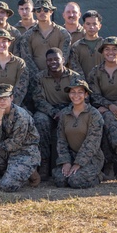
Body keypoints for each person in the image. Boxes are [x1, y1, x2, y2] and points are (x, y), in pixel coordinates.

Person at [86, 36, 117, 178]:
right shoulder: (95, 72)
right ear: (102, 52)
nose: (111, 52)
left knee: (110, 122)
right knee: (105, 120)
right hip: (102, 109)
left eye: (114, 49)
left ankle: (109, 166)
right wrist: (108, 106)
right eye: (107, 49)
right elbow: (93, 94)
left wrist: (115, 106)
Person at [0, 84, 42, 192]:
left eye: (5, 98)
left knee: (7, 187)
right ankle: (11, 172)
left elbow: (15, 144)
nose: (2, 101)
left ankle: (30, 171)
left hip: (25, 152)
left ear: (11, 98)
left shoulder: (21, 116)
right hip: (8, 150)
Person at [29, 48, 81, 178]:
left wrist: (66, 111)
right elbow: (38, 100)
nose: (53, 62)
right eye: (49, 60)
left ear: (62, 60)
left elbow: (80, 97)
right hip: (48, 111)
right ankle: (44, 163)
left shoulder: (74, 77)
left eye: (56, 59)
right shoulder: (39, 77)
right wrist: (53, 112)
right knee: (39, 120)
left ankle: (72, 161)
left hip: (70, 110)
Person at [53, 79, 104, 188]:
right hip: (71, 156)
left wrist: (78, 163)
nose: (76, 95)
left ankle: (99, 175)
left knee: (76, 181)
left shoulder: (94, 114)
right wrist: (66, 162)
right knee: (60, 180)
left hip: (90, 158)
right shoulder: (64, 114)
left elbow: (92, 142)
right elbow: (61, 140)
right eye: (72, 92)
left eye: (80, 92)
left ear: (86, 95)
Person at [15, 0, 71, 78]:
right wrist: (39, 76)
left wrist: (51, 73)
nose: (42, 12)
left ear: (51, 11)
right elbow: (27, 59)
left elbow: (64, 57)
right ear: (34, 13)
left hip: (58, 77)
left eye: (45, 10)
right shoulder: (27, 36)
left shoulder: (63, 34)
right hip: (35, 79)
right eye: (38, 10)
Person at [68, 10, 104, 79]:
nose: (91, 27)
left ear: (100, 26)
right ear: (84, 26)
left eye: (94, 24)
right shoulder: (76, 47)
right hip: (83, 86)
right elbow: (74, 69)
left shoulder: (105, 46)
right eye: (88, 24)